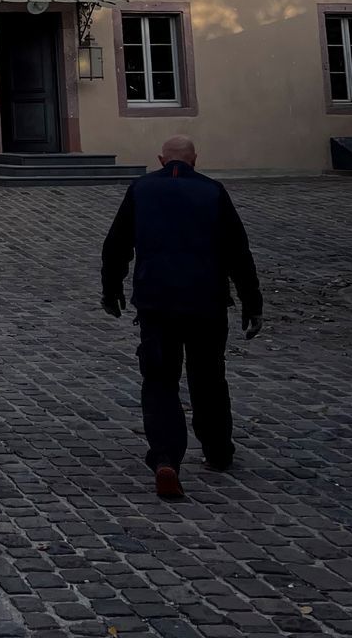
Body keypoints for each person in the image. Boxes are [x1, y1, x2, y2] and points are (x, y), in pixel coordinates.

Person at [100, 134, 263, 499]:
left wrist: (111, 290)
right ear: (195, 160)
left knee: (159, 380)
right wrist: (252, 303)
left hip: (157, 301)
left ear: (161, 160)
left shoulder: (141, 190)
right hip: (206, 301)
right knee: (209, 378)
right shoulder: (212, 191)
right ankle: (218, 451)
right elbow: (238, 252)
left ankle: (165, 458)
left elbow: (116, 246)